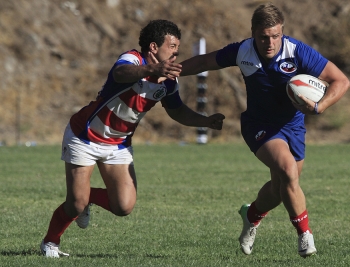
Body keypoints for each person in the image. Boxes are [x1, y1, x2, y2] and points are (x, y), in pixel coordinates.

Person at [40, 19, 225, 258]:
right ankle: (50, 242)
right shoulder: (132, 60)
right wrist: (151, 70)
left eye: (178, 47)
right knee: (75, 203)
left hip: (118, 144)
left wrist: (206, 121)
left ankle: (88, 199)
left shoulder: (169, 81)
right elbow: (120, 73)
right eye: (172, 46)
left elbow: (177, 111)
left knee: (124, 206)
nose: (177, 52)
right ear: (153, 47)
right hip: (84, 136)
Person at [179, 3, 350, 257]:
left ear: (282, 32)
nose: (269, 43)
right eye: (263, 37)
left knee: (280, 188)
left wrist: (319, 106)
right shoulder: (242, 51)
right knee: (288, 171)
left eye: (275, 36)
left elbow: (341, 80)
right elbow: (205, 61)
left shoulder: (297, 51)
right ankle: (305, 236)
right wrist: (168, 72)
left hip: (293, 127)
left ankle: (251, 215)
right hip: (258, 125)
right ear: (252, 33)